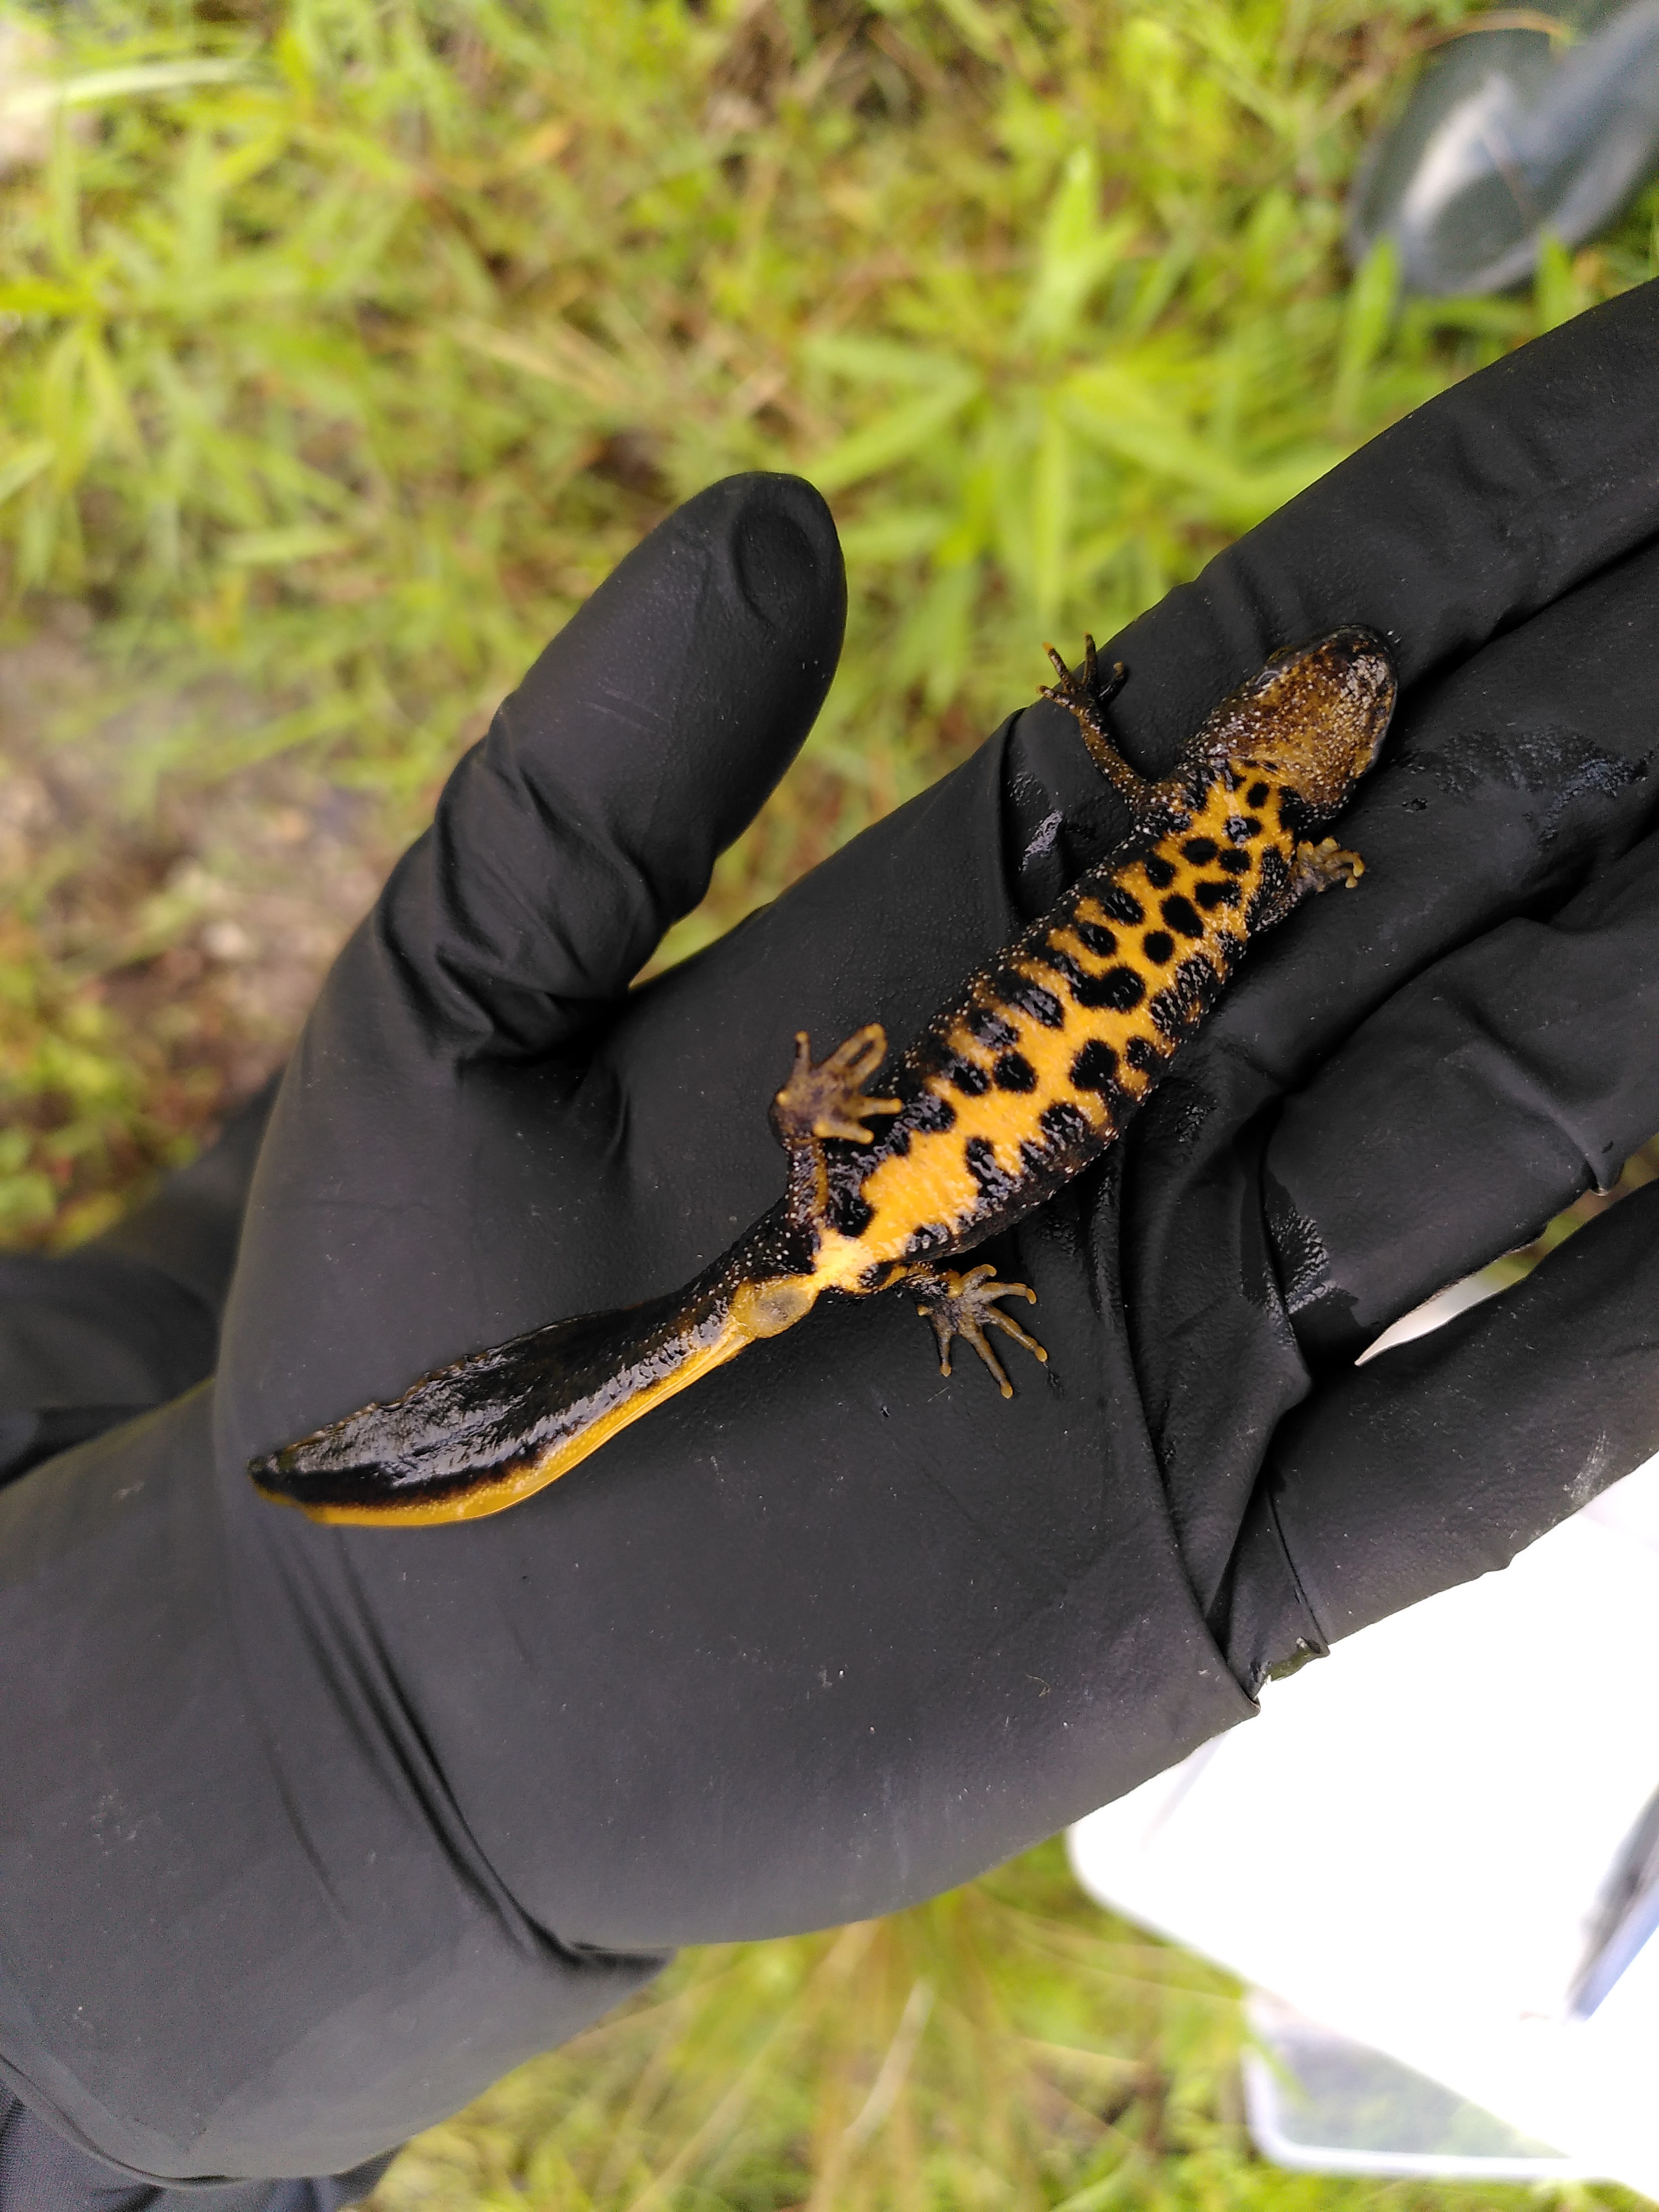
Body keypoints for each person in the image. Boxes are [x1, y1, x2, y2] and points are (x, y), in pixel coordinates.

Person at [5, 275, 1659, 2208]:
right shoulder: (1261, 846)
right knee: (399, 1278)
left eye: (1338, 728)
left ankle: (312, 1401)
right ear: (1283, 778)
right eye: (1333, 720)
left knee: (344, 1271)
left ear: (1266, 766)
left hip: (828, 1226)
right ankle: (315, 1406)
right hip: (866, 1229)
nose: (1345, 708)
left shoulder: (1218, 827)